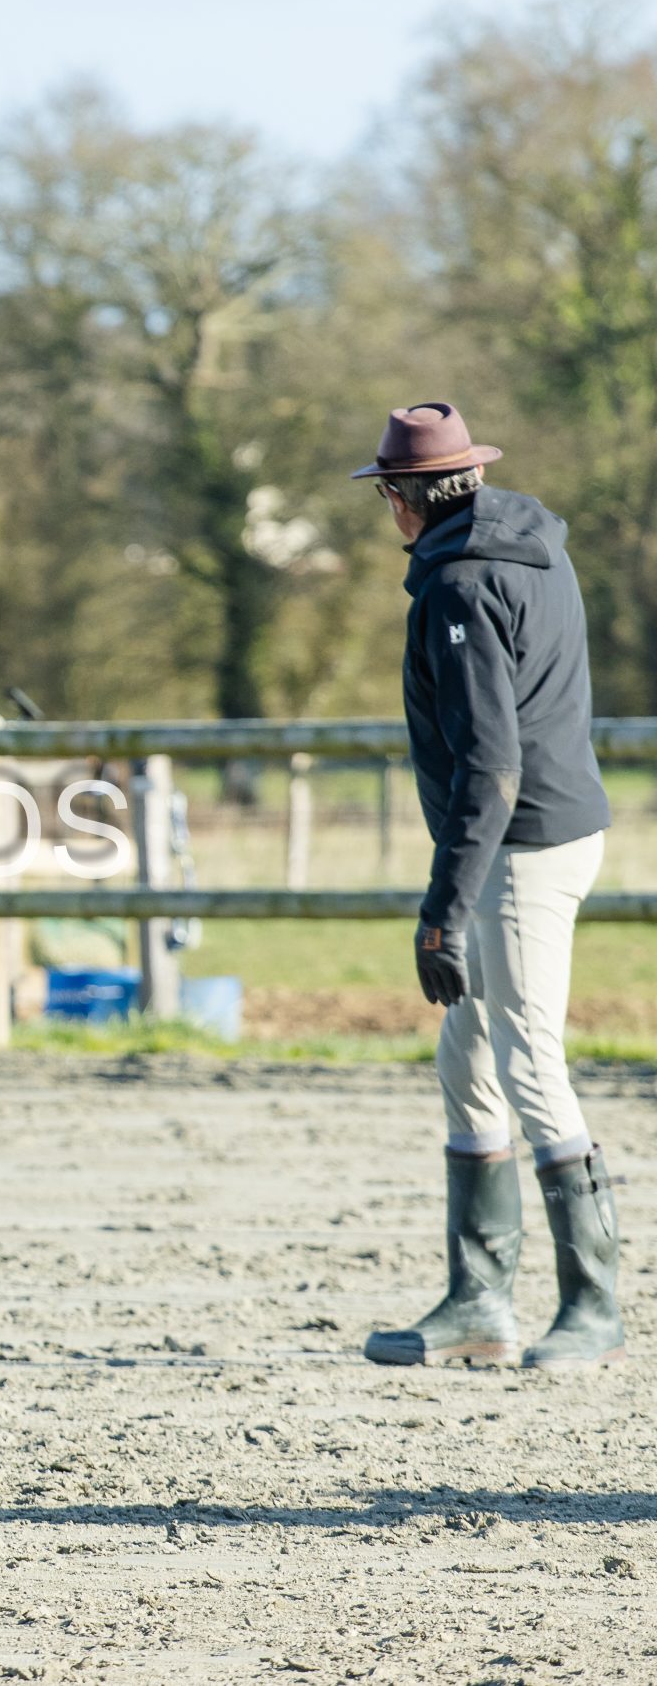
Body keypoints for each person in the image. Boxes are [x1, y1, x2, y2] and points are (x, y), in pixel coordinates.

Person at [355, 403, 620, 1370]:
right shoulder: (534, 547)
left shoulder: (458, 585)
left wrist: (443, 909)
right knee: (466, 1057)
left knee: (528, 1063)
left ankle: (593, 1306)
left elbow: (491, 764)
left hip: (519, 850)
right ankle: (478, 1302)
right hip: (557, 829)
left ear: (405, 498)